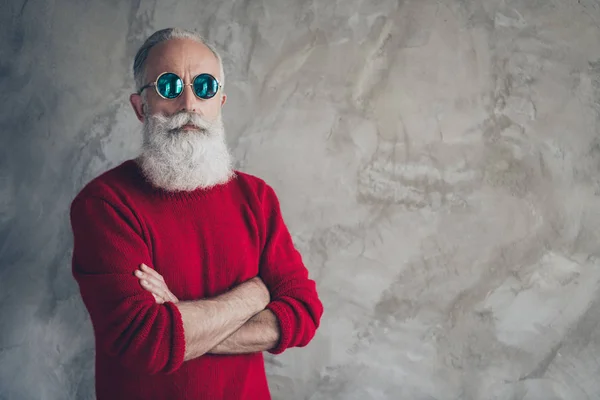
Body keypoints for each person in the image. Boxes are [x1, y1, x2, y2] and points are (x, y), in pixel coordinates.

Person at [69, 27, 323, 400]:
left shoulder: (256, 197)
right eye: (169, 86)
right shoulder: (105, 204)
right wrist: (254, 295)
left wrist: (181, 321)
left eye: (203, 86)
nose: (189, 102)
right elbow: (146, 341)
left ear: (220, 101)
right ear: (141, 107)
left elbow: (303, 313)